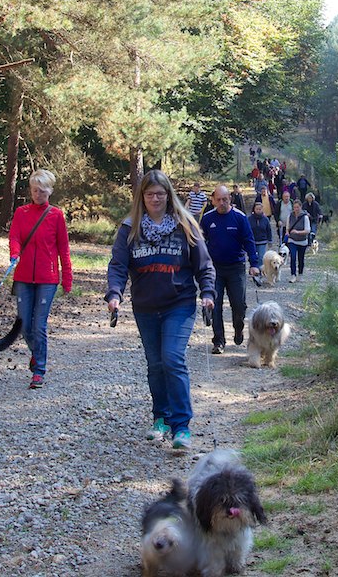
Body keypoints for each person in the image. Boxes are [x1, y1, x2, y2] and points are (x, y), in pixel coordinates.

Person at [106, 170, 215, 450]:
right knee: (155, 364)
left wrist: (207, 292)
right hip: (145, 306)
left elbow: (203, 264)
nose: (155, 199)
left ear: (169, 195)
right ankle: (161, 418)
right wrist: (114, 294)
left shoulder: (185, 224)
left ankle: (181, 426)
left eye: (160, 194)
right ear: (141, 197)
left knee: (172, 359)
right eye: (150, 194)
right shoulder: (130, 228)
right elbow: (118, 265)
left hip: (179, 303)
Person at [9, 169, 73, 389]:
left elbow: (63, 248)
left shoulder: (56, 215)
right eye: (35, 190)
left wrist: (67, 277)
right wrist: (14, 253)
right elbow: (14, 237)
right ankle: (36, 353)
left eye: (43, 191)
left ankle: (39, 370)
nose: (38, 194)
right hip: (23, 277)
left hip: (48, 278)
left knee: (39, 325)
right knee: (25, 324)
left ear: (50, 191)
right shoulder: (21, 213)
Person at [200, 185, 261, 355]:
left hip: (236, 267)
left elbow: (249, 240)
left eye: (225, 199)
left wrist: (254, 264)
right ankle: (218, 341)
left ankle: (238, 328)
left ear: (230, 199)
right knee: (215, 305)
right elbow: (199, 243)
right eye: (218, 200)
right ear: (213, 201)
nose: (222, 202)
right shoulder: (207, 219)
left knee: (239, 305)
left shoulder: (239, 217)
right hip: (215, 269)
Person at [286, 199, 311, 283]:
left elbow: (307, 230)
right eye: (294, 207)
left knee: (301, 259)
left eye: (297, 207)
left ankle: (300, 275)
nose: (296, 209)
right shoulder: (290, 216)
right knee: (293, 257)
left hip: (302, 241)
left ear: (301, 207)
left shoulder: (305, 217)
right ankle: (293, 275)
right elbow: (287, 228)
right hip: (292, 240)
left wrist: (298, 232)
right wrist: (287, 233)